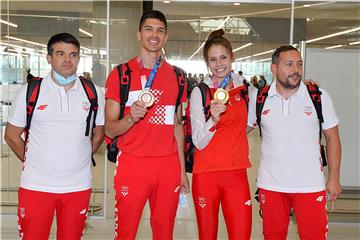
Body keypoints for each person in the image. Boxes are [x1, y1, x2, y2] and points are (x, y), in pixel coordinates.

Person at [4, 32, 105, 239]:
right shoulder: (30, 91)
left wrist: (80, 158)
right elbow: (12, 136)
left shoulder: (93, 92)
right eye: (60, 54)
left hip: (78, 187)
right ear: (49, 58)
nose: (67, 60)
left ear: (78, 58)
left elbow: (98, 134)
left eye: (73, 54)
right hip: (36, 186)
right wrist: (34, 160)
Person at [104, 10, 189, 239]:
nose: (155, 35)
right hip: (133, 164)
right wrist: (131, 118)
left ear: (166, 37)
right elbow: (109, 129)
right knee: (126, 232)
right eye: (149, 29)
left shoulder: (178, 76)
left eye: (160, 30)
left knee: (164, 232)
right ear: (138, 35)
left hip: (168, 165)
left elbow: (177, 126)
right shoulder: (121, 74)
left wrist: (182, 170)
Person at [248, 45, 341, 240]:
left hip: (309, 186)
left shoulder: (318, 96)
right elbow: (238, 131)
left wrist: (333, 178)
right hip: (271, 186)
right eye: (289, 64)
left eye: (299, 64)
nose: (296, 70)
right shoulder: (260, 98)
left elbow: (333, 138)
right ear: (274, 68)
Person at [190, 29, 255, 239]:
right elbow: (198, 141)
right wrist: (214, 120)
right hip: (206, 174)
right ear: (207, 63)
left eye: (223, 57)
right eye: (213, 59)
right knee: (207, 235)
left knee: (241, 235)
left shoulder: (247, 90)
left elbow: (252, 122)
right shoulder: (199, 92)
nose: (219, 64)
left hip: (236, 173)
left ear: (232, 57)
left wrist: (304, 86)